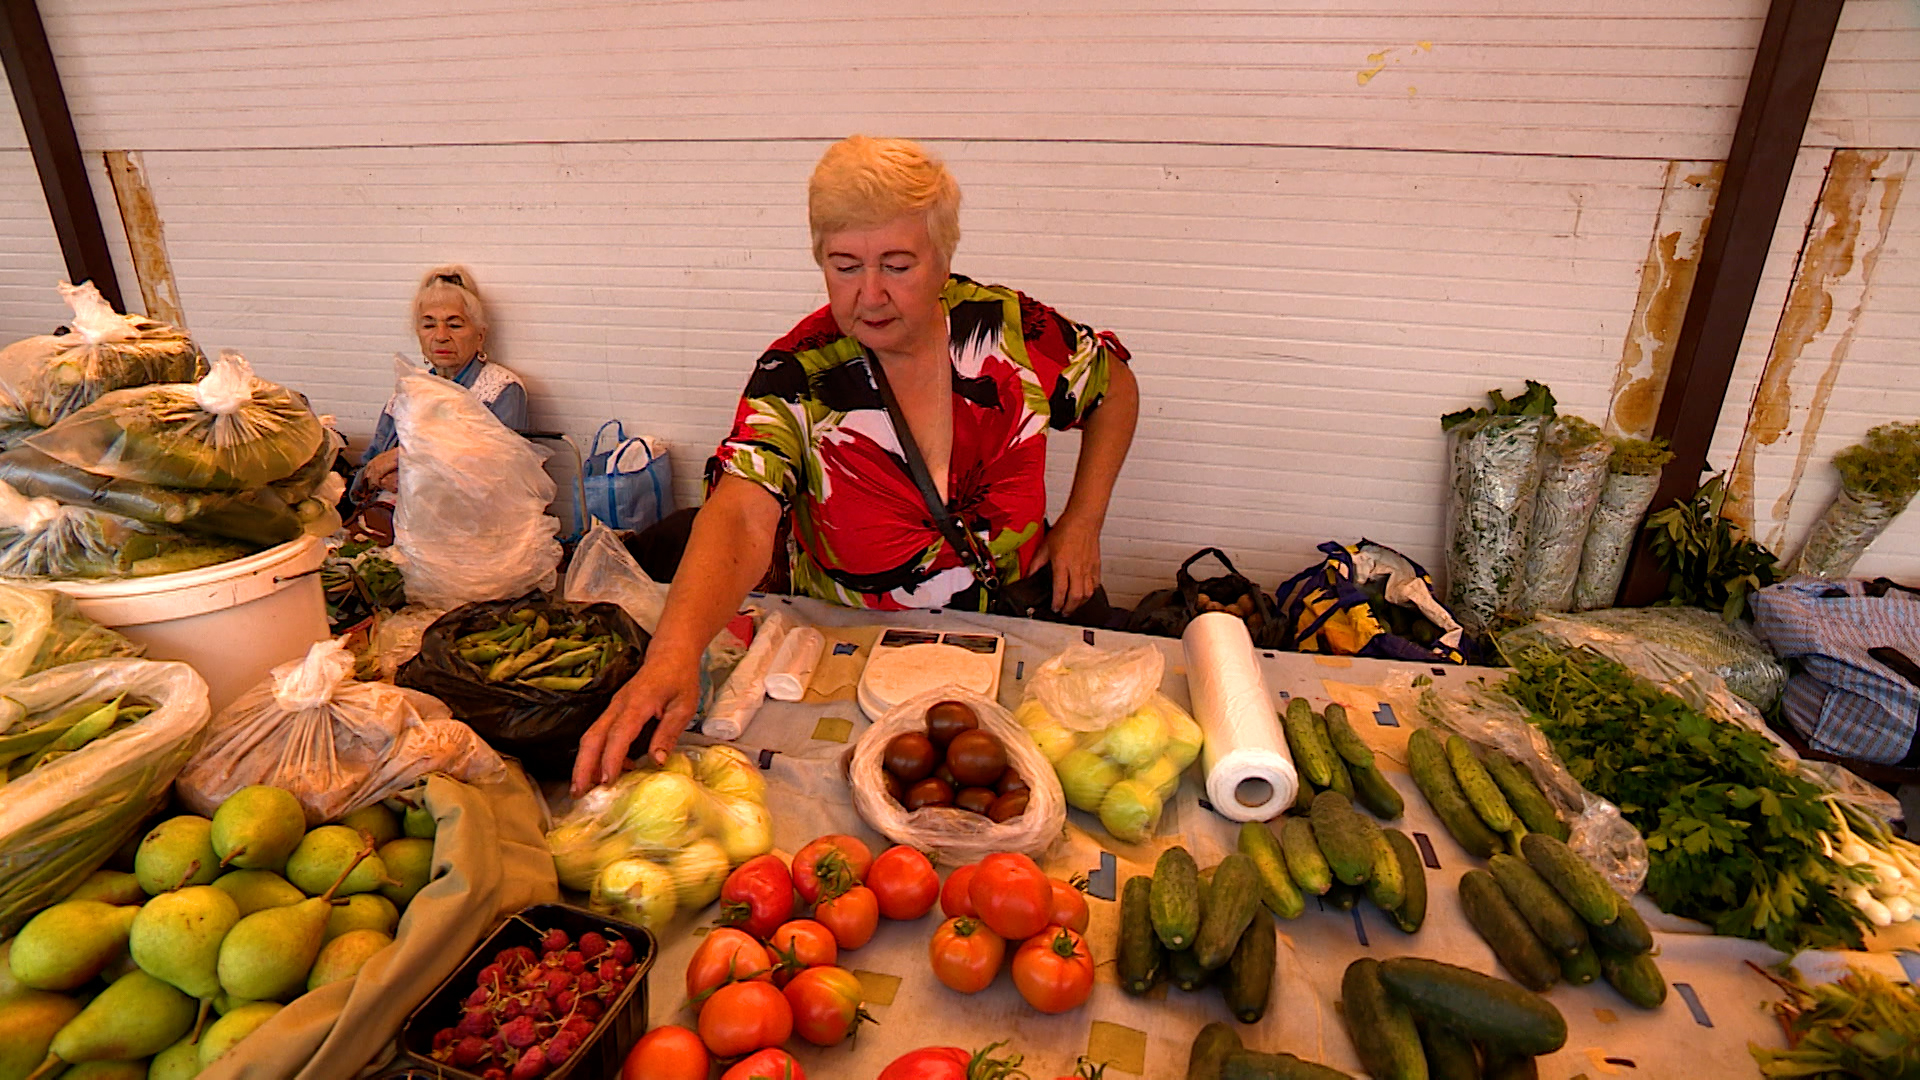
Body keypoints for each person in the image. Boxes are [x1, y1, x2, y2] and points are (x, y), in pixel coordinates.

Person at [573, 135, 1140, 795]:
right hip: (860, 658)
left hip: (1013, 633)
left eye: (897, 265)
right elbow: (741, 515)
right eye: (845, 266)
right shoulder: (796, 373)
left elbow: (1113, 387)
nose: (869, 295)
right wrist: (672, 655)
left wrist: (1083, 519)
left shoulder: (1010, 331)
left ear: (942, 257)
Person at [348, 265, 529, 509]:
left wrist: (403, 461)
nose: (441, 336)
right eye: (429, 325)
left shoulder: (500, 389)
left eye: (454, 325)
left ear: (480, 335)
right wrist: (375, 475)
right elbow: (365, 473)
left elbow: (499, 481)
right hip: (389, 522)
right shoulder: (408, 391)